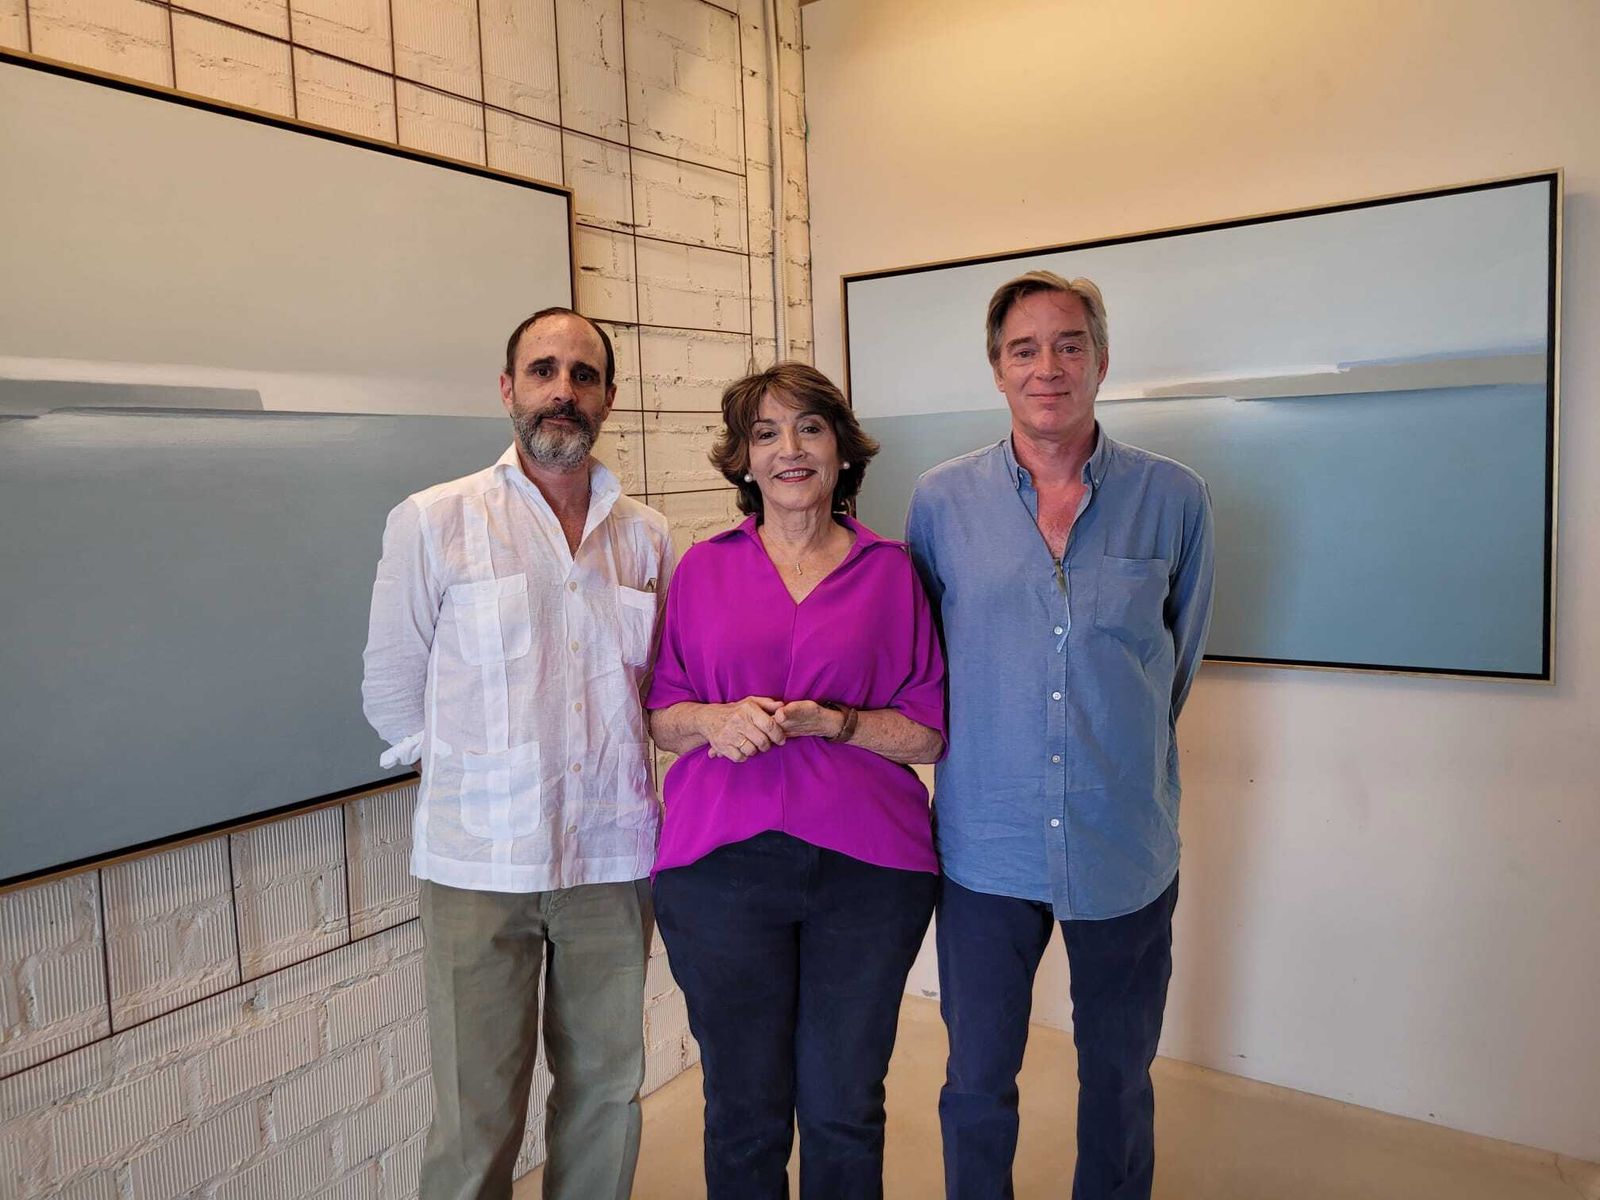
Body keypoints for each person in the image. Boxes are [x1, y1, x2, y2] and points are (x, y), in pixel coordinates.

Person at [907, 272, 1215, 1200]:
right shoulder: (939, 502)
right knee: (974, 1084)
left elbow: (1176, 663)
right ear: (998, 369)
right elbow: (925, 662)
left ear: (1102, 361)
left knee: (1117, 1081)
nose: (1049, 367)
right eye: (1025, 349)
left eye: (1070, 344)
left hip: (1122, 846)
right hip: (984, 848)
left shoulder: (1176, 499)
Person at [361, 307, 673, 1200]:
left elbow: (656, 694)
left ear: (609, 397)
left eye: (582, 375)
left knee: (605, 1096)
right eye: (542, 371)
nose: (561, 392)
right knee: (475, 1116)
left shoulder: (646, 538)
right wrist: (478, 781)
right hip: (475, 868)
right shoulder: (435, 521)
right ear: (509, 390)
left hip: (612, 862)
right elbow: (392, 691)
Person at [646, 362, 946, 1200]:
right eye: (766, 433)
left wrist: (833, 721)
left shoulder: (891, 571)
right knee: (744, 1107)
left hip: (871, 871)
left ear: (842, 452)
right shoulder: (703, 569)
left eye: (810, 428)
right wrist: (713, 720)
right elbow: (661, 715)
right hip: (719, 868)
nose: (790, 450)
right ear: (743, 461)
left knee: (845, 1104)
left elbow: (928, 732)